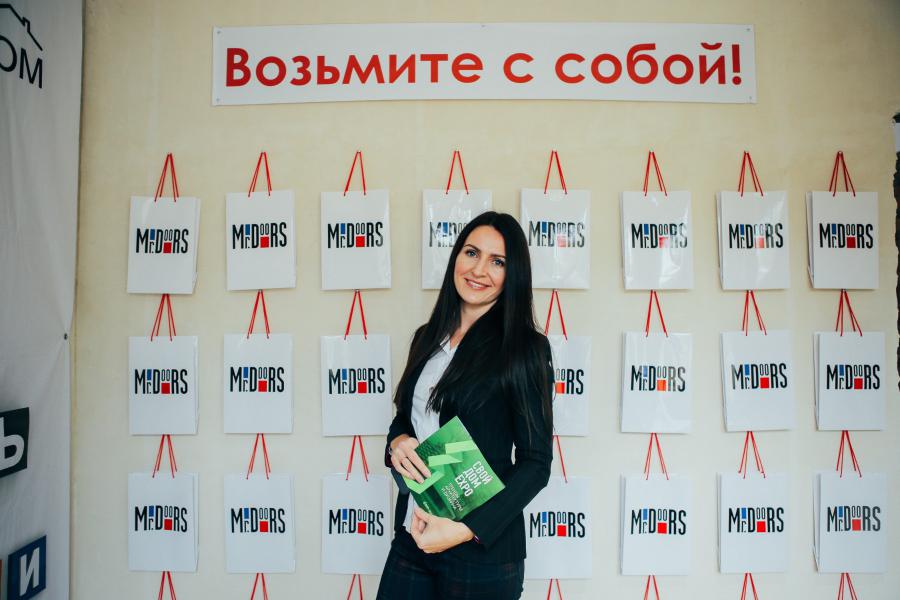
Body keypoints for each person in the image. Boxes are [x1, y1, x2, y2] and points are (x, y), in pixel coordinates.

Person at [376, 211, 554, 600]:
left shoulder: (525, 349)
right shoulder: (426, 337)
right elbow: (406, 417)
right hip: (414, 534)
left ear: (513, 274)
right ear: (456, 256)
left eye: (497, 261)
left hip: (482, 551)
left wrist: (464, 529)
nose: (479, 269)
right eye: (472, 253)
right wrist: (398, 441)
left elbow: (536, 463)